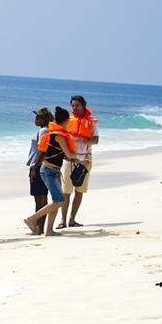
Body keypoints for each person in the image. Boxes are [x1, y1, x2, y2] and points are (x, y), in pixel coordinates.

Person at [24, 107, 87, 237]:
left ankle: (49, 230)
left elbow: (60, 155)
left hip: (49, 170)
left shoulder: (52, 133)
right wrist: (75, 154)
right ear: (65, 121)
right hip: (49, 171)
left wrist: (79, 161)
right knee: (59, 201)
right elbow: (68, 154)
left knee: (55, 201)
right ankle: (32, 219)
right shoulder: (59, 136)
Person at [60, 95, 99, 228]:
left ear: (83, 105)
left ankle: (72, 219)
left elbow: (96, 140)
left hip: (86, 158)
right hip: (70, 158)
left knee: (79, 190)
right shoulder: (68, 120)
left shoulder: (91, 122)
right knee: (66, 191)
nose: (74, 108)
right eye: (72, 105)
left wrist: (84, 140)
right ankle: (62, 221)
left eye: (77, 105)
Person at [27, 108, 53, 231]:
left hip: (38, 166)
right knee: (43, 198)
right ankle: (40, 226)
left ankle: (38, 226)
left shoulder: (43, 131)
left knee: (39, 199)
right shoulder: (47, 130)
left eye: (37, 117)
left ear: (43, 119)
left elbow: (43, 150)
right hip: (43, 165)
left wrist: (34, 168)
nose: (35, 119)